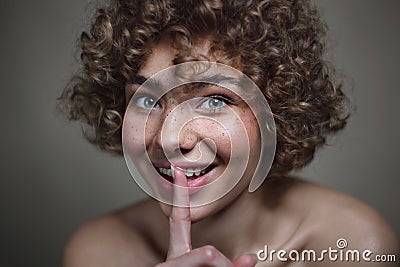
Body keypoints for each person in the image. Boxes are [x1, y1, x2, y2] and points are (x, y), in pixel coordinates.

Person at [59, 0, 399, 266]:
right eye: (148, 99)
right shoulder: (100, 252)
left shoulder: (354, 246)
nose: (169, 138)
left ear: (275, 111)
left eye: (215, 101)